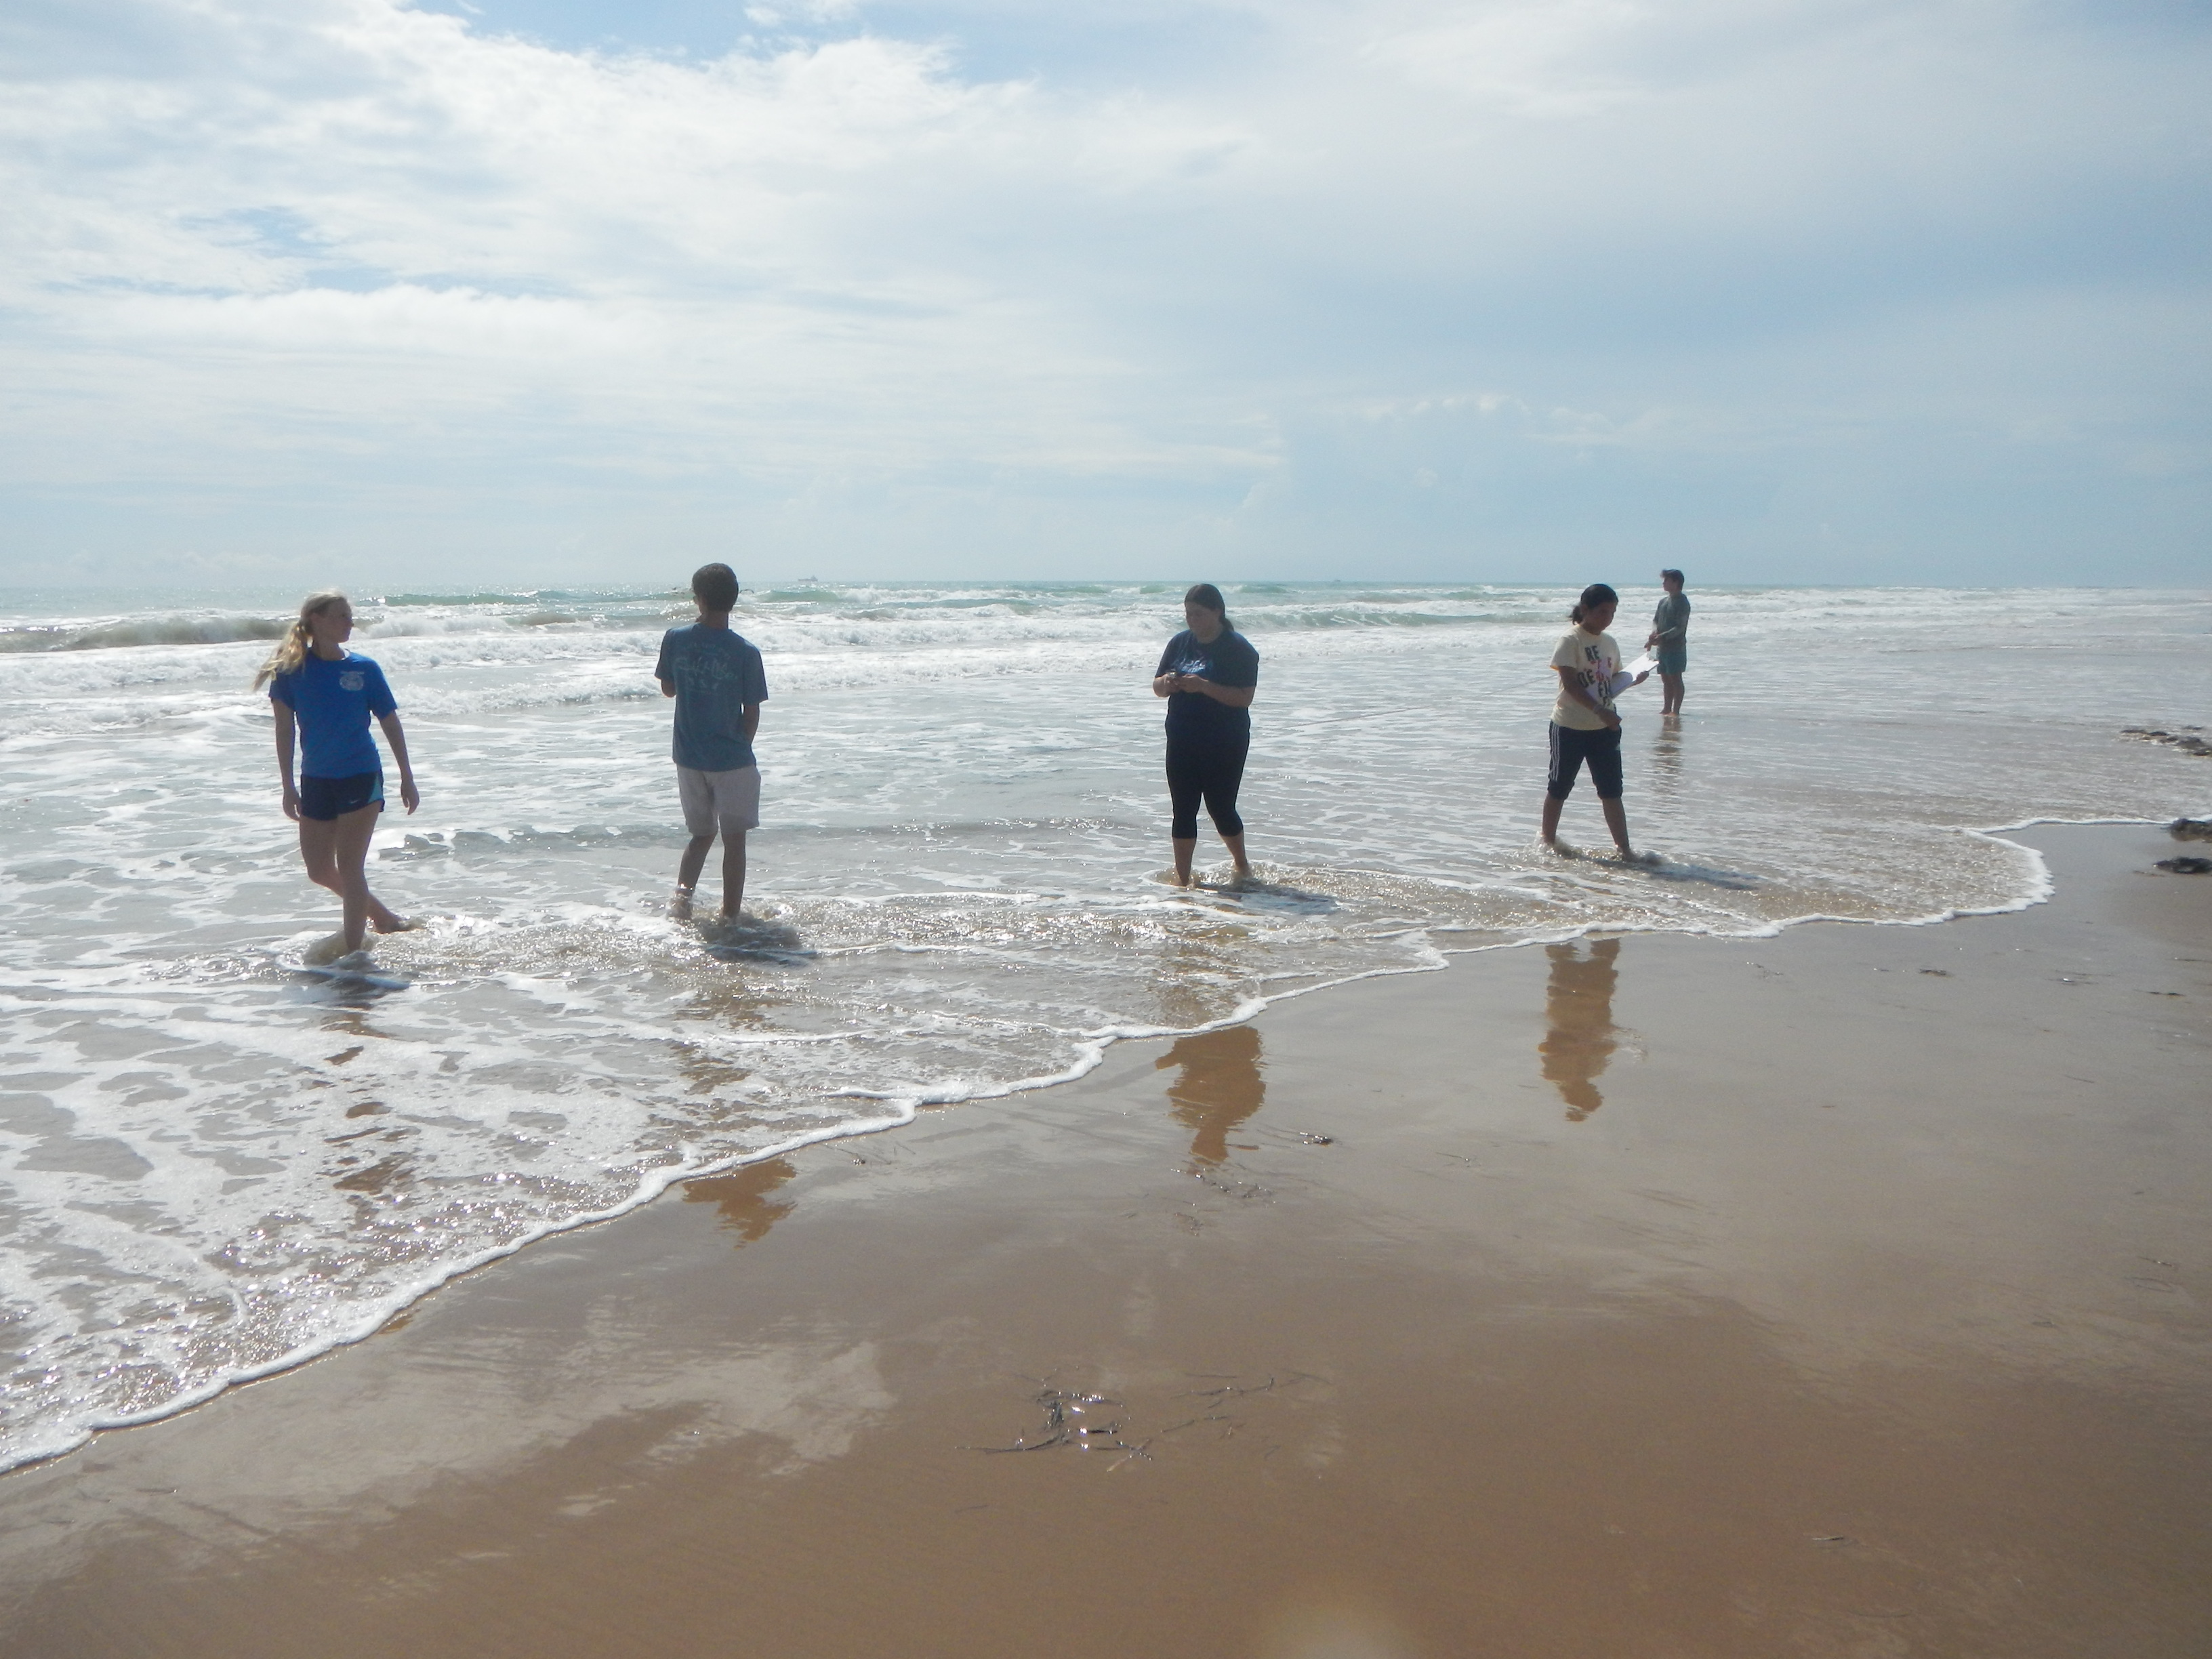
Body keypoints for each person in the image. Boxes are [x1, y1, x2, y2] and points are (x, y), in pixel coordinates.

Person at [254, 591, 420, 957]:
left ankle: (353, 953)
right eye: (341, 616)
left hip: (360, 773)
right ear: (316, 619)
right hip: (315, 779)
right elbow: (285, 730)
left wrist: (406, 775)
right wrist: (287, 785)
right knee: (318, 870)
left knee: (349, 867)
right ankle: (384, 918)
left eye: (350, 616)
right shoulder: (290, 672)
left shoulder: (364, 669)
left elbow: (390, 721)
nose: (350, 623)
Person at [655, 562, 769, 923]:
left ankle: (681, 905)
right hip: (732, 758)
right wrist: (741, 747)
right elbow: (751, 712)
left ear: (699, 599)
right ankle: (730, 916)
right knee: (735, 841)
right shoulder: (746, 652)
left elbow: (668, 688)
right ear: (733, 602)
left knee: (701, 835)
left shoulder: (676, 638)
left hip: (688, 755)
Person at [1151, 583, 1259, 887]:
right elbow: (1157, 687)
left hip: (1225, 739)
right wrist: (1169, 683)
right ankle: (1183, 881)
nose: (1192, 620)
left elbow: (1244, 698)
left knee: (1221, 808)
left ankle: (1242, 865)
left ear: (1217, 612)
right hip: (1182, 737)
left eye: (1198, 614)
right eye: (1188, 614)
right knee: (1183, 809)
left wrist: (1203, 686)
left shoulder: (1238, 649)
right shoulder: (1180, 643)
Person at [1541, 582, 1648, 863]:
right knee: (1559, 786)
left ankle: (1624, 850)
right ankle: (1548, 842)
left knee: (1612, 790)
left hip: (1605, 728)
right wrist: (1601, 710)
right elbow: (1572, 685)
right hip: (1570, 726)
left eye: (1612, 613)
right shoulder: (1570, 641)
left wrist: (1632, 679)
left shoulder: (1609, 642)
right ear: (1585, 609)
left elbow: (1609, 683)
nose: (1608, 618)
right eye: (1602, 612)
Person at [1646, 568, 1691, 718]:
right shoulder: (1663, 602)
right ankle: (1666, 708)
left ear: (1676, 583)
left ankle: (1676, 710)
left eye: (1667, 581)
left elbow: (1680, 627)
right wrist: (1654, 634)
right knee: (1665, 678)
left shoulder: (1682, 602)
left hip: (1676, 647)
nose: (1664, 583)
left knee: (1675, 678)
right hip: (1662, 648)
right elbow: (1656, 620)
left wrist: (1663, 636)